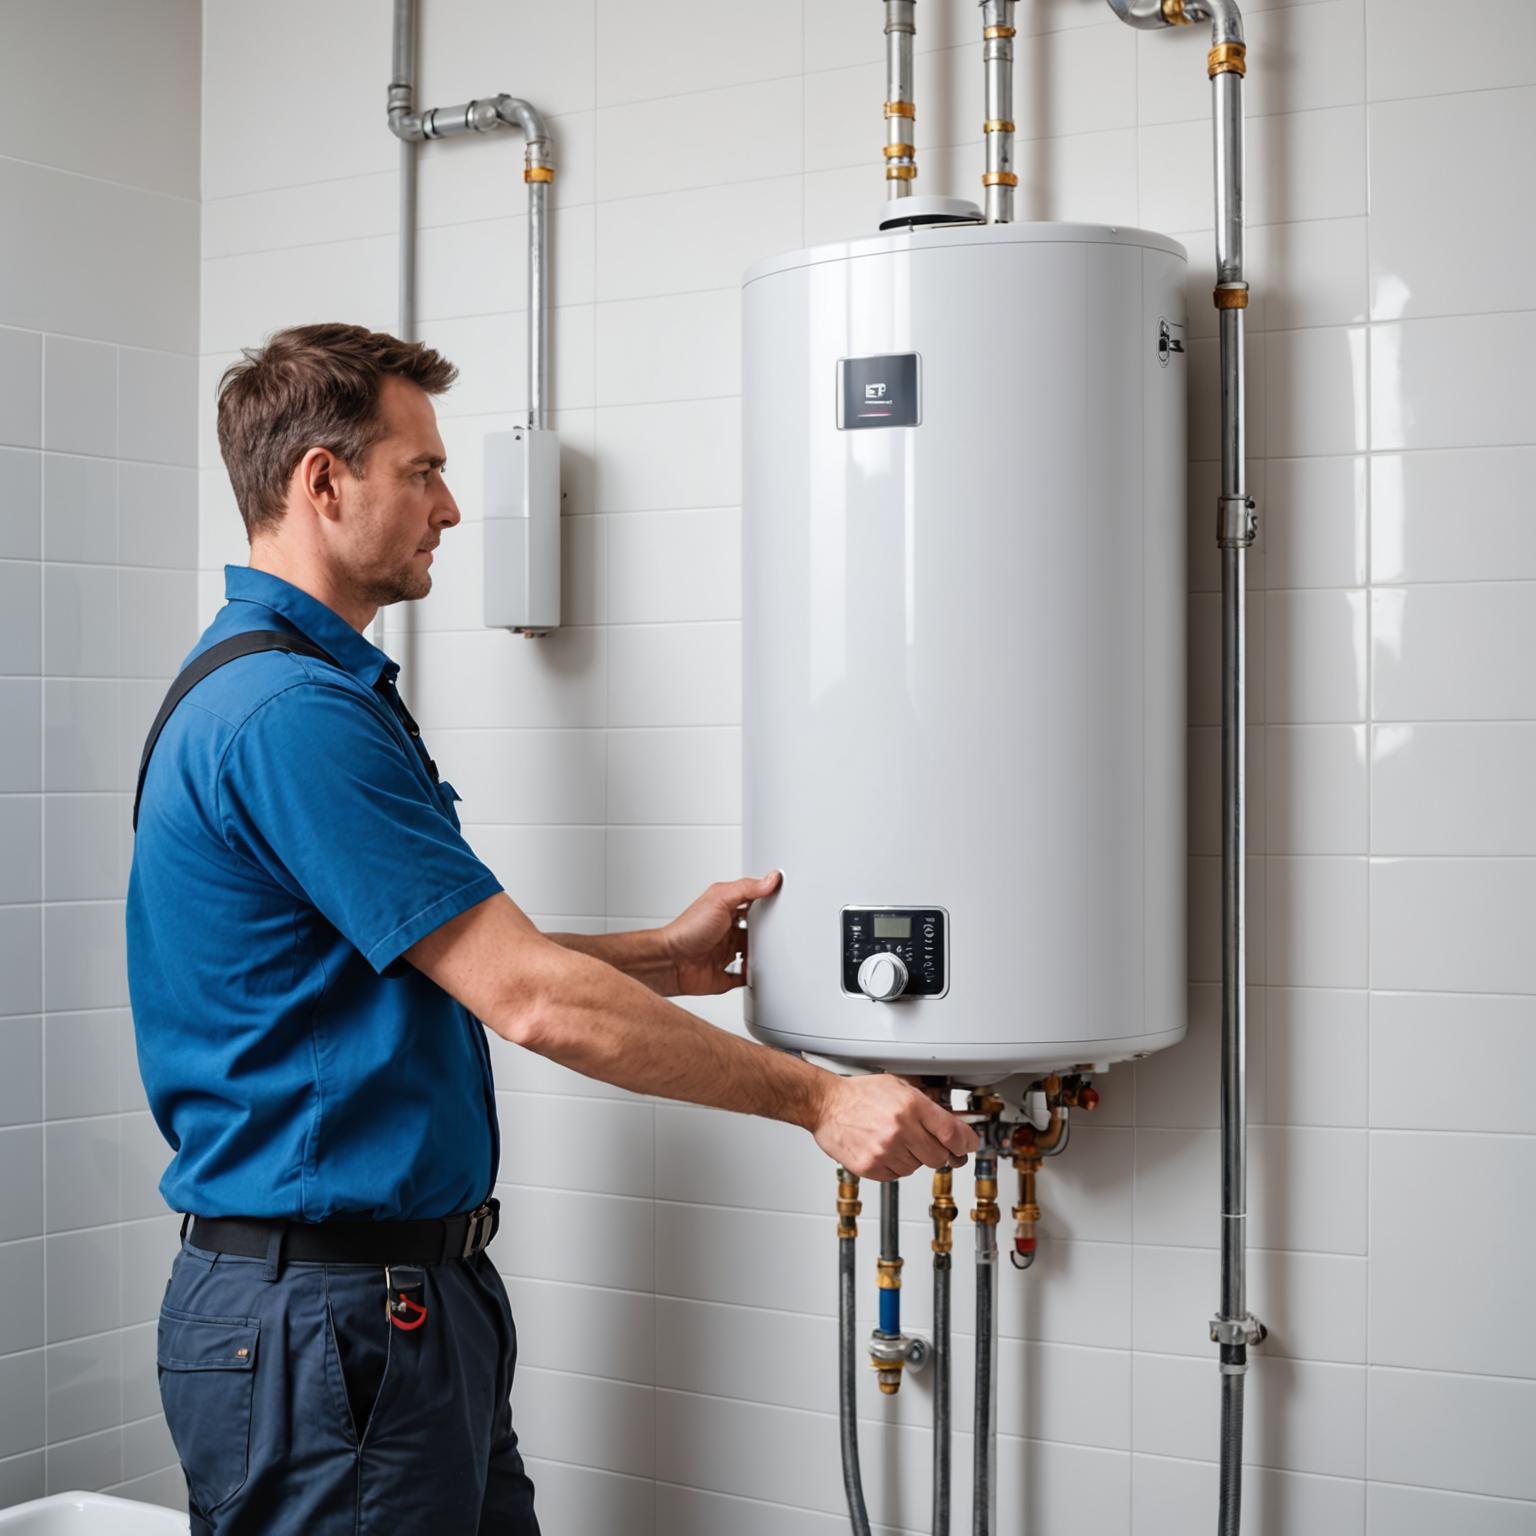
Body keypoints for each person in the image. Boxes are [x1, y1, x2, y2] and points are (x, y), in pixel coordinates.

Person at [126, 322, 978, 1534]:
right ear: (324, 481)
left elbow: (431, 957)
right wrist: (819, 1099)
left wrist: (659, 960)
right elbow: (525, 997)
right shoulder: (285, 716)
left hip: (395, 1308)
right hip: (326, 1323)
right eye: (420, 470)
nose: (454, 507)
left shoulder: (305, 695)